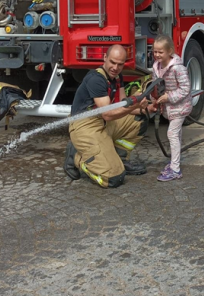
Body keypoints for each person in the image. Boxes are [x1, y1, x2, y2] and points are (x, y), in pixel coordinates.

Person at [64, 45, 149, 188]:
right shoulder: (96, 79)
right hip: (84, 126)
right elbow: (108, 114)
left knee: (139, 120)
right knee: (114, 179)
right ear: (105, 58)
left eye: (120, 64)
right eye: (112, 62)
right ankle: (77, 157)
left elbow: (123, 105)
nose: (115, 67)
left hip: (101, 122)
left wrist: (146, 109)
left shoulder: (117, 77)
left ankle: (119, 158)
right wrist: (136, 105)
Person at [148, 35, 192, 182]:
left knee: (172, 133)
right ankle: (175, 161)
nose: (157, 55)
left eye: (161, 52)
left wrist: (169, 97)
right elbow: (156, 86)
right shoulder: (156, 67)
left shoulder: (178, 68)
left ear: (170, 52)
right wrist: (155, 99)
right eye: (155, 52)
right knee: (176, 134)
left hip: (180, 106)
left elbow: (185, 88)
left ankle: (175, 169)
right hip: (169, 107)